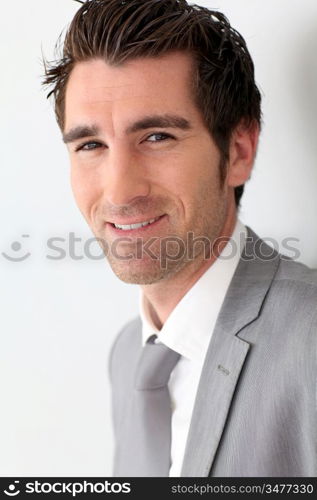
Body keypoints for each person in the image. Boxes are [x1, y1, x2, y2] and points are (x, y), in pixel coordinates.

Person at [43, 0, 317, 477]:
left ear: (237, 151)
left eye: (156, 137)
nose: (120, 190)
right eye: (91, 145)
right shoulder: (129, 353)